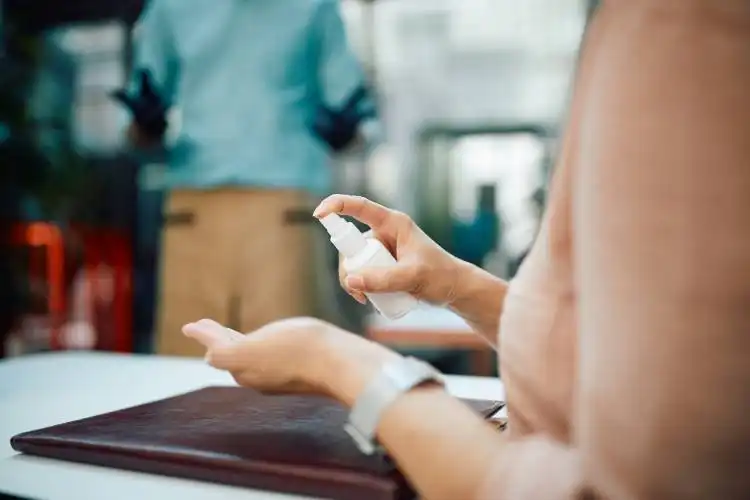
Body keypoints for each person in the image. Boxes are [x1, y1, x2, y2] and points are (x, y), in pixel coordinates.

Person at [182, 2, 750, 499]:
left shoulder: (688, 29)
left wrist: (335, 360)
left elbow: (627, 490)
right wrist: (456, 284)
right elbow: (606, 361)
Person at [119, 0, 380, 357]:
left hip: (275, 213)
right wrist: (145, 124)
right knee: (191, 371)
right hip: (210, 212)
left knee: (287, 370)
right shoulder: (169, 8)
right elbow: (139, 124)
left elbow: (353, 118)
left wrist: (347, 130)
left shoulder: (314, 8)